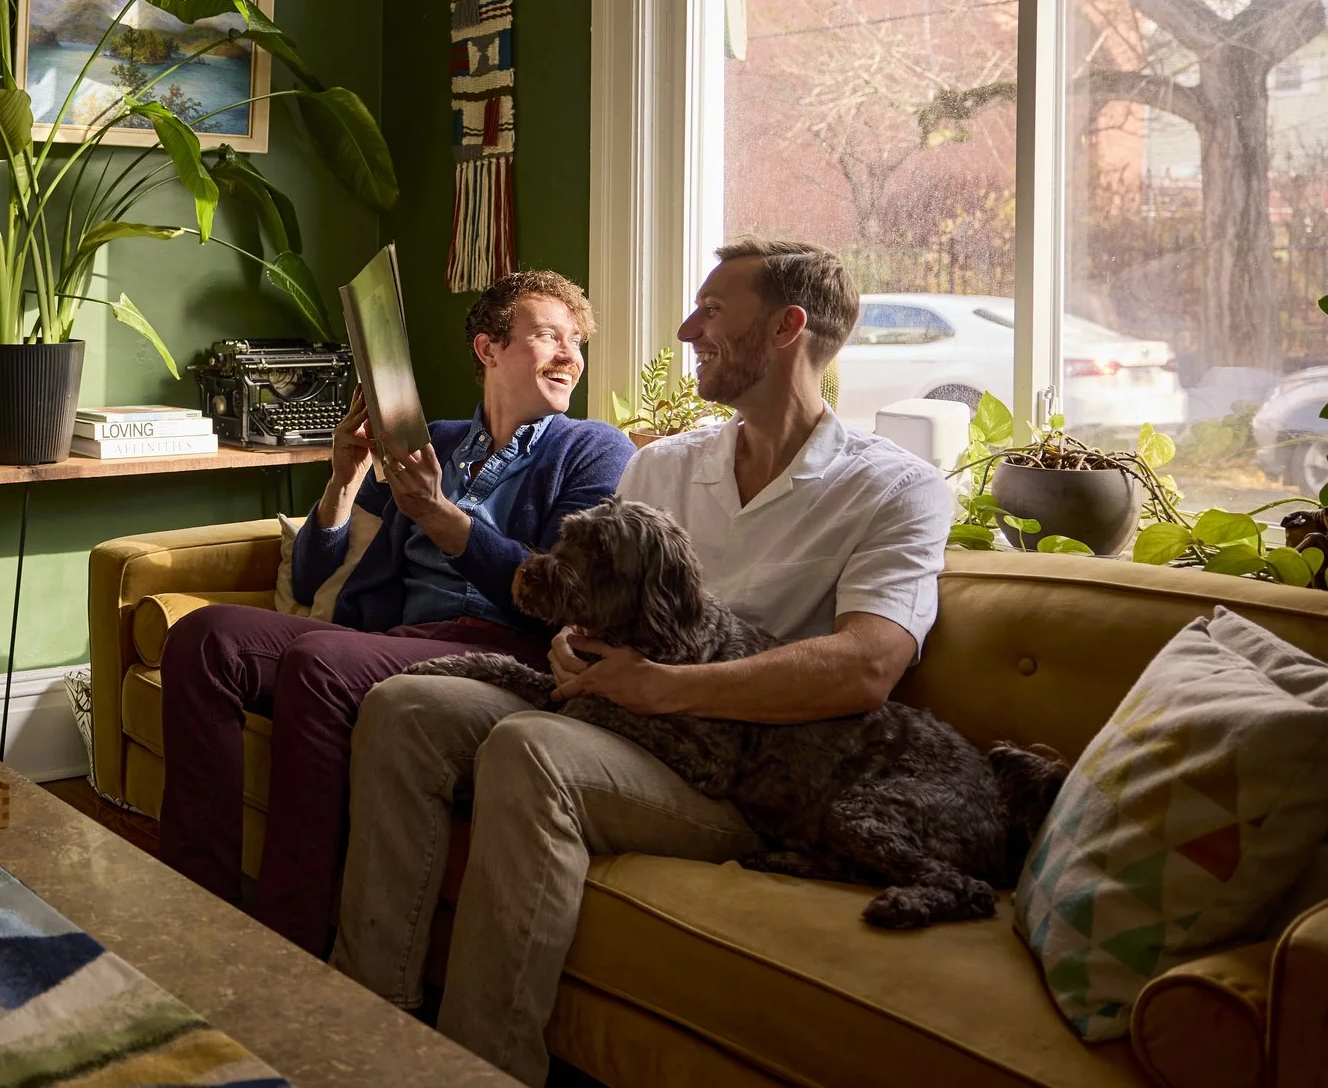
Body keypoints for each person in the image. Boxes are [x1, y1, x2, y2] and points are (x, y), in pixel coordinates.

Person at [329, 238, 951, 1084]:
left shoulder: (894, 487)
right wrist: (565, 640)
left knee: (530, 750)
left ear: (787, 328)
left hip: (735, 770)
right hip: (613, 714)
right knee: (404, 708)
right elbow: (578, 595)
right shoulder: (663, 465)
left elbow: (867, 665)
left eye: (713, 310)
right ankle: (366, 1032)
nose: (688, 326)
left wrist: (669, 687)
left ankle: (480, 1068)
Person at [157, 271, 635, 957]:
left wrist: (446, 521)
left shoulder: (592, 448)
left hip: (498, 654)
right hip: (396, 640)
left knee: (322, 662)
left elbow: (562, 599)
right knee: (205, 638)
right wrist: (342, 485)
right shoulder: (430, 440)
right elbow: (317, 575)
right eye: (548, 336)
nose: (570, 356)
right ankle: (195, 909)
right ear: (488, 347)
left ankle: (288, 941)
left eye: (576, 342)